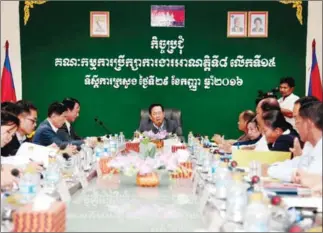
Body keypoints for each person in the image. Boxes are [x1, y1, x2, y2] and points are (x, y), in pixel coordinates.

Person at [263, 97, 322, 181]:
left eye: (297, 120)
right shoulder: (309, 144)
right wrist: (271, 168)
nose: (296, 125)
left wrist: (271, 170)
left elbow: (305, 176)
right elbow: (296, 164)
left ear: (309, 123)